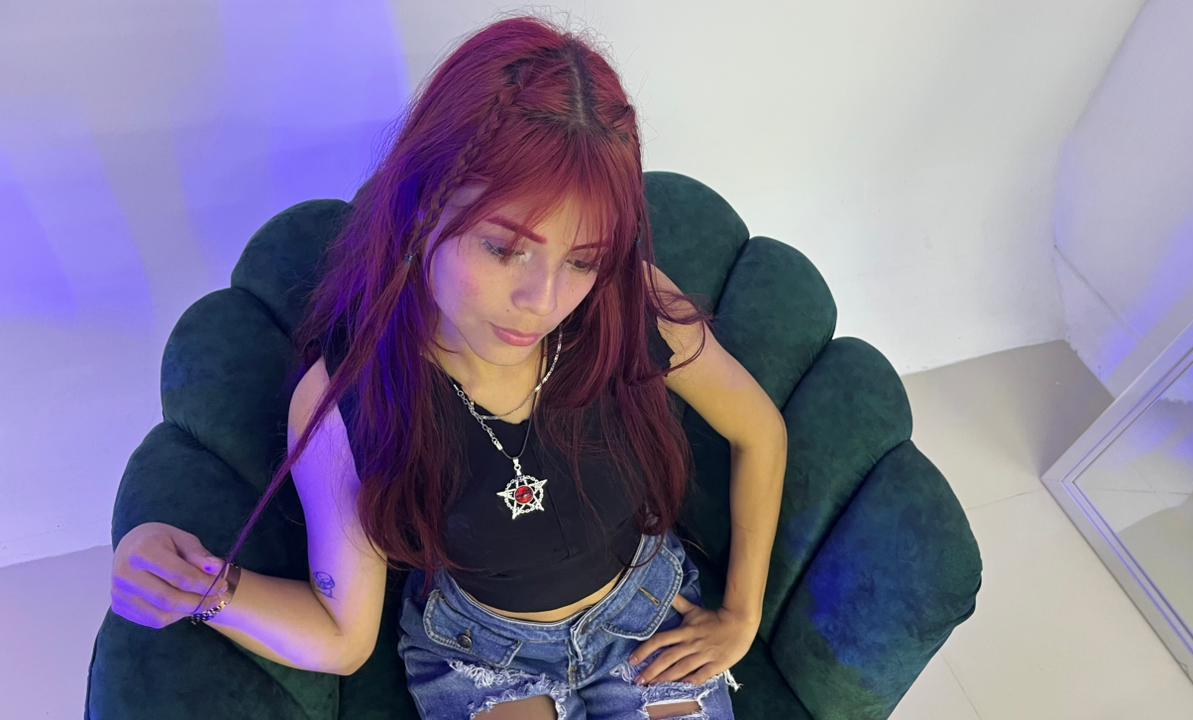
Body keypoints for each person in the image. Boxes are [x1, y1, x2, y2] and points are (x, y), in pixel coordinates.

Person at [108, 11, 788, 719]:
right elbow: (341, 636)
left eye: (582, 260)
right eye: (504, 248)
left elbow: (759, 432)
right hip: (483, 655)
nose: (541, 301)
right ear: (424, 205)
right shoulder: (351, 399)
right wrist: (197, 587)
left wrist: (741, 616)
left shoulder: (628, 306)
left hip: (646, 619)